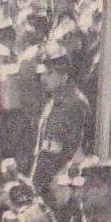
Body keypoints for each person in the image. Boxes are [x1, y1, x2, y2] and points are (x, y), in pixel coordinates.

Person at [27, 46, 91, 192]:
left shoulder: (72, 103)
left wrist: (38, 184)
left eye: (50, 74)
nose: (43, 78)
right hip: (51, 177)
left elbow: (61, 151)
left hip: (62, 180)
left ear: (64, 75)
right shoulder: (56, 99)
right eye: (42, 74)